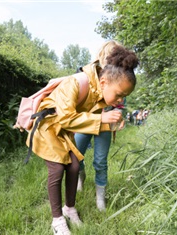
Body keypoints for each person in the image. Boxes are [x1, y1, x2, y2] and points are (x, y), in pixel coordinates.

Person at [27, 45, 139, 234]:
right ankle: (57, 221)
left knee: (74, 166)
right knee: (56, 169)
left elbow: (87, 123)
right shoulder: (76, 83)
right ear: (103, 82)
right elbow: (66, 117)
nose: (120, 101)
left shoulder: (99, 93)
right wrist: (102, 118)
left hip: (64, 129)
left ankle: (69, 209)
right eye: (119, 95)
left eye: (124, 97)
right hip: (48, 127)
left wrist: (107, 124)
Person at [74, 40, 127, 212]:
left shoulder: (120, 75)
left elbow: (121, 98)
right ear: (103, 55)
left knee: (100, 161)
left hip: (106, 124)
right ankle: (80, 179)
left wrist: (120, 115)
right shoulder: (86, 74)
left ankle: (100, 200)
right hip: (86, 121)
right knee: (76, 155)